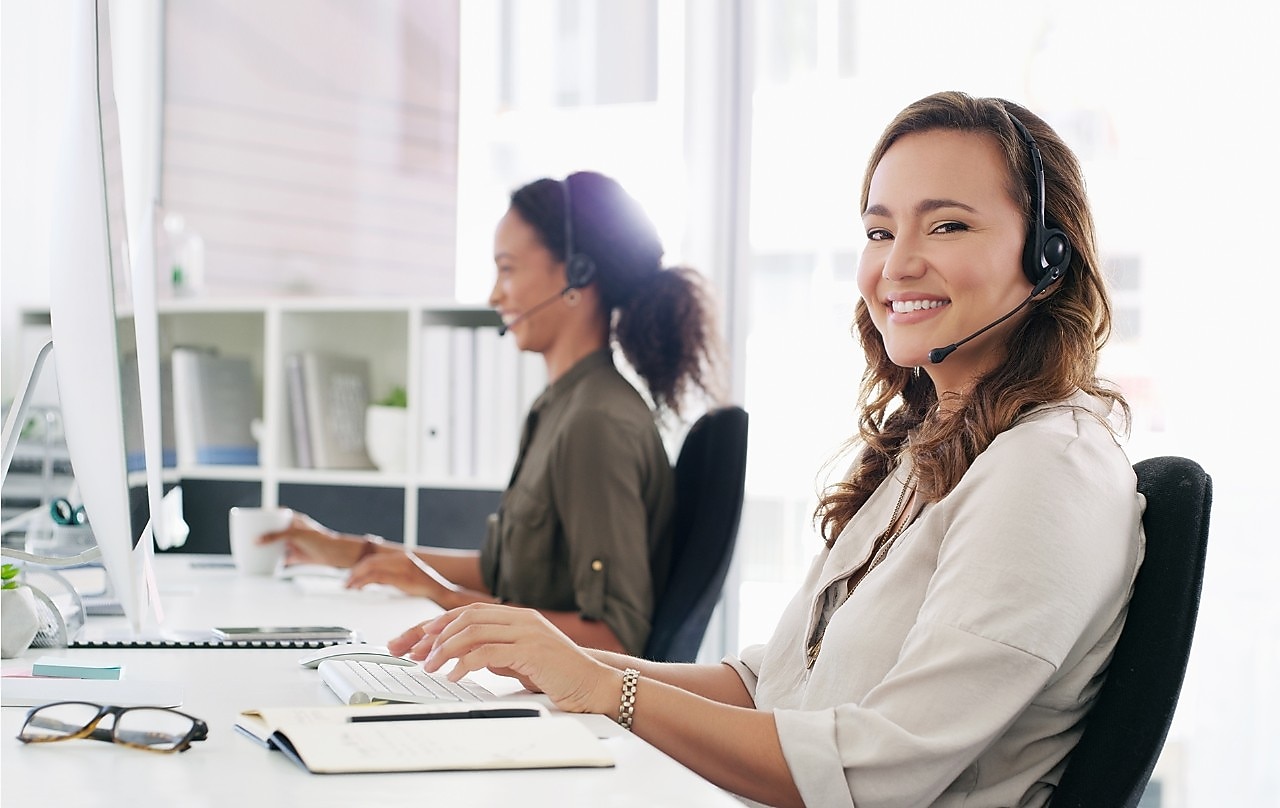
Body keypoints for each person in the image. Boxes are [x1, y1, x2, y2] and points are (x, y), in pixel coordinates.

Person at [389, 91, 1145, 808]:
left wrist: (603, 689)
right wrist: (565, 664)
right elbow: (769, 685)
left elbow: (870, 772)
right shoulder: (932, 451)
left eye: (946, 226)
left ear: (1048, 257)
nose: (897, 263)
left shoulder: (1048, 468)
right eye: (880, 231)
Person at [260, 171, 725, 656]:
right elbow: (502, 571)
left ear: (577, 276)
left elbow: (614, 637)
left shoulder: (596, 423)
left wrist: (445, 599)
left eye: (507, 269)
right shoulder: (560, 405)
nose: (494, 295)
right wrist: (355, 551)